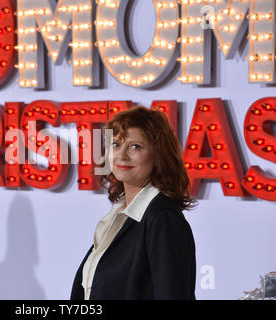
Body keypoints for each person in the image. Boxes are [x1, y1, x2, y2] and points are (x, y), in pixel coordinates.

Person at [70, 106, 197, 300]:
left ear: (157, 156)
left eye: (135, 146)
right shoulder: (119, 215)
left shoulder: (163, 219)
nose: (122, 155)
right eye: (116, 144)